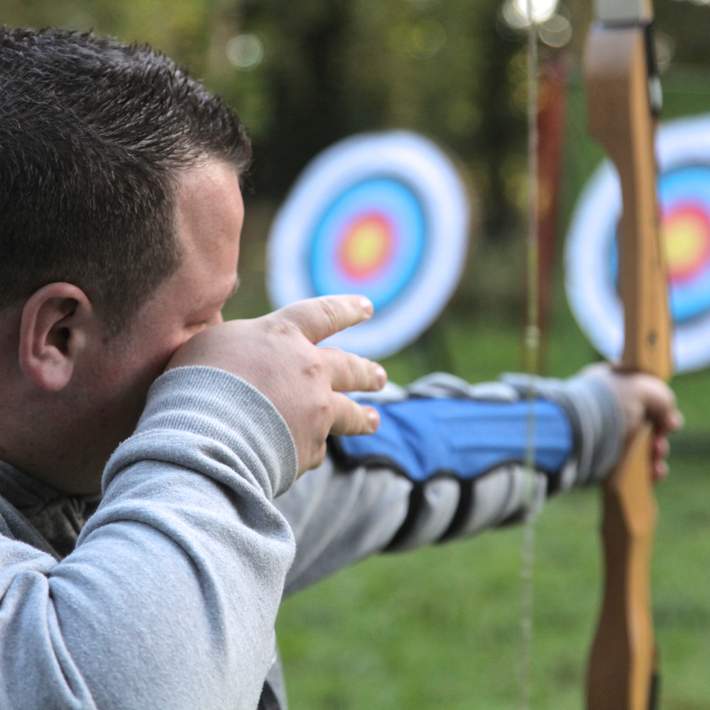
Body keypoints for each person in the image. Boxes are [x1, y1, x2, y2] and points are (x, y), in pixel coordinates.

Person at [0, 26, 680, 710]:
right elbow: (118, 684)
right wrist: (226, 417)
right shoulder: (201, 455)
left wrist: (594, 416)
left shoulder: (160, 461)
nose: (225, 345)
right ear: (59, 335)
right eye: (202, 318)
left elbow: (401, 451)